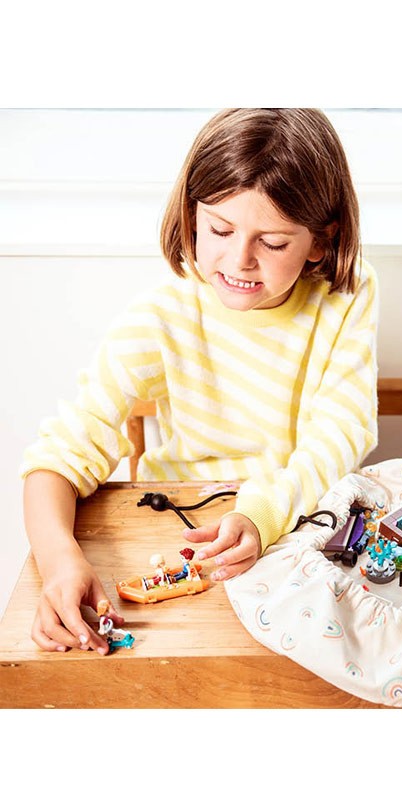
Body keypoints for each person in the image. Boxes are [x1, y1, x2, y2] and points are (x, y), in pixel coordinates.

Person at [21, 108, 379, 655]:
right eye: (220, 230)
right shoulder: (163, 315)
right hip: (178, 532)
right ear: (191, 216)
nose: (240, 260)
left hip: (296, 525)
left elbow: (341, 433)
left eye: (273, 243)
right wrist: (60, 563)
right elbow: (58, 455)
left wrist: (262, 514)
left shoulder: (346, 298)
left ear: (320, 240)